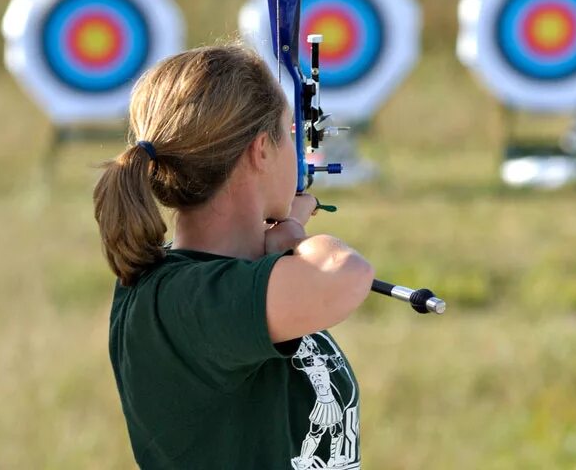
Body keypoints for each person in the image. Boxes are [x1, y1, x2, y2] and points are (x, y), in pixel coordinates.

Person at [92, 44, 373, 469]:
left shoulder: (217, 283)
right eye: (288, 133)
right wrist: (294, 232)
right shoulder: (182, 302)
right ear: (261, 150)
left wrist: (275, 244)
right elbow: (344, 275)